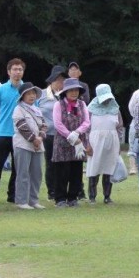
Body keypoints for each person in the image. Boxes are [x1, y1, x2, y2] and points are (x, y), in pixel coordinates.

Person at [0, 58, 25, 204]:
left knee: (17, 167)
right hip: (3, 132)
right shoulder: (0, 90)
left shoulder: (26, 89)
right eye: (14, 69)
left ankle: (12, 194)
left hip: (21, 134)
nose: (17, 72)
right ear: (9, 72)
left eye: (20, 69)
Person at [52, 77, 91, 207]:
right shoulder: (59, 104)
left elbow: (86, 122)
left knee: (76, 170)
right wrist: (70, 135)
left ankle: (73, 197)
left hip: (78, 141)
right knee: (62, 171)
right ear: (65, 92)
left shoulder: (82, 104)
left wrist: (77, 133)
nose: (74, 93)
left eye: (76, 90)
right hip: (62, 142)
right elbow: (57, 123)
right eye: (71, 90)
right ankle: (60, 198)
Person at [12, 82, 47, 210]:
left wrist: (40, 137)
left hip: (38, 145)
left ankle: (33, 200)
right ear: (22, 96)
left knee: (37, 173)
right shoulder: (18, 109)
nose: (32, 96)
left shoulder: (37, 109)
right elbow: (21, 126)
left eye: (33, 93)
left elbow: (44, 125)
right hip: (23, 145)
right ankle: (21, 201)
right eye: (28, 94)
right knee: (23, 173)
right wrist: (34, 139)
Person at [86, 84, 123, 204]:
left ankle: (107, 196)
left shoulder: (115, 108)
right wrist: (87, 144)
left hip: (112, 141)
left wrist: (119, 144)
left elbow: (119, 127)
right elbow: (86, 128)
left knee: (109, 167)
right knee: (94, 168)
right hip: (95, 141)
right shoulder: (90, 109)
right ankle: (92, 196)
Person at [39, 65, 66, 202]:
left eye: (62, 79)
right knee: (50, 162)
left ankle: (63, 189)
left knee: (63, 163)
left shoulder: (67, 95)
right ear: (51, 80)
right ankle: (52, 191)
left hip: (64, 135)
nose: (60, 82)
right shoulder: (42, 95)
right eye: (57, 79)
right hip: (48, 134)